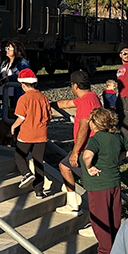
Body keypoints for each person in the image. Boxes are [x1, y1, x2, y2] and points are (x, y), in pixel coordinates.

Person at [81, 108, 128, 254]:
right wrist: (118, 159)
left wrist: (89, 167)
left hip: (99, 185)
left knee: (100, 220)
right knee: (114, 218)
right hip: (114, 183)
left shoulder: (95, 139)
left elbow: (87, 155)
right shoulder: (116, 137)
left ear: (95, 123)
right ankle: (116, 250)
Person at [53, 70, 101, 216]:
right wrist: (49, 104)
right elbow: (67, 103)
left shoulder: (86, 102)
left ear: (74, 86)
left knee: (93, 185)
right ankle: (73, 204)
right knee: (64, 165)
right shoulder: (90, 97)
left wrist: (75, 152)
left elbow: (83, 129)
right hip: (91, 146)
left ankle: (94, 217)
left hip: (86, 149)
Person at [9, 68, 49, 198]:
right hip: (41, 135)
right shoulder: (43, 98)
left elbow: (21, 117)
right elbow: (49, 117)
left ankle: (26, 173)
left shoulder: (23, 99)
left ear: (23, 85)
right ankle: (39, 191)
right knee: (39, 162)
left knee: (19, 155)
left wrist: (13, 127)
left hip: (26, 134)